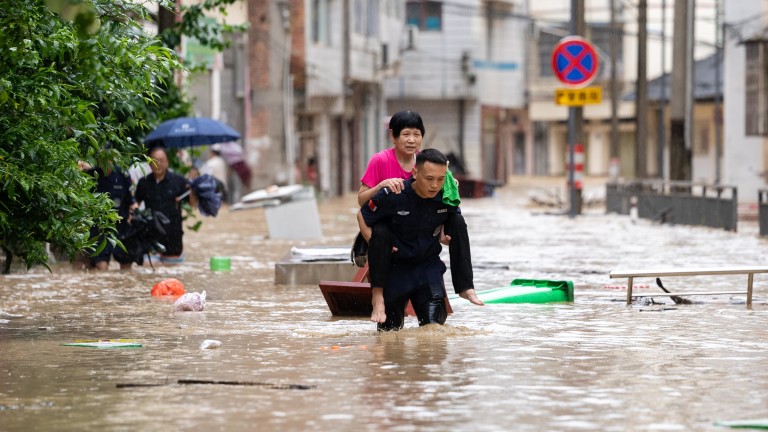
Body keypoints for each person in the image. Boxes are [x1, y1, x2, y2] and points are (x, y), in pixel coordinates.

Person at [358, 110, 476, 324]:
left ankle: (465, 286)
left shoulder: (430, 163)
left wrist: (447, 188)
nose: (412, 140)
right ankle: (378, 297)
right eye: (406, 134)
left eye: (416, 134)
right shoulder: (381, 161)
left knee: (456, 219)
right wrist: (381, 186)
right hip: (387, 228)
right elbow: (361, 204)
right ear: (393, 136)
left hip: (422, 229)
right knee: (382, 233)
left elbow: (441, 205)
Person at [134, 146, 192, 263]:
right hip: (150, 235)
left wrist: (195, 189)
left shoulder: (179, 181)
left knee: (172, 275)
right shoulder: (143, 183)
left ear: (167, 162)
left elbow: (192, 203)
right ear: (149, 163)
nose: (158, 164)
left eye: (161, 160)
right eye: (155, 161)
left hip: (173, 236)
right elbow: (135, 204)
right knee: (149, 273)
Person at [76, 161, 137, 271]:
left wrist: (134, 216)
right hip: (99, 227)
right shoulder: (91, 174)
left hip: (121, 226)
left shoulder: (123, 174)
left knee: (126, 263)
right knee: (101, 265)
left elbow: (132, 201)